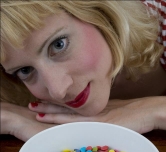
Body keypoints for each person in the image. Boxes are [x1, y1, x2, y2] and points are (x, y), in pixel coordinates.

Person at [1, 0, 166, 142]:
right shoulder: (13, 89)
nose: (58, 91)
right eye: (25, 70)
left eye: (59, 45)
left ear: (98, 12)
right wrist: (12, 118)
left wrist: (153, 109)